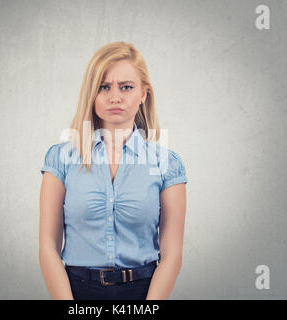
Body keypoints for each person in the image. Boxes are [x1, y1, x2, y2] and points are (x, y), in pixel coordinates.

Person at [39, 41, 188, 300]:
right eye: (104, 87)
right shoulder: (62, 158)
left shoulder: (167, 164)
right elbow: (48, 248)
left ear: (144, 94)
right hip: (76, 291)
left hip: (143, 292)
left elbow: (172, 255)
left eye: (126, 87)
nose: (115, 97)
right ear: (92, 93)